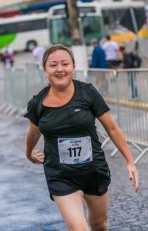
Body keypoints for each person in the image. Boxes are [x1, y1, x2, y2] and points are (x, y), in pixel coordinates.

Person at [24, 44, 139, 230]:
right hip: (61, 175)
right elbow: (33, 132)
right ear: (45, 70)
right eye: (53, 65)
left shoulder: (88, 92)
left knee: (99, 224)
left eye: (65, 64)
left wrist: (130, 161)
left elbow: (111, 127)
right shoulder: (38, 103)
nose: (60, 69)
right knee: (79, 228)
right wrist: (29, 153)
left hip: (93, 171)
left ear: (73, 67)